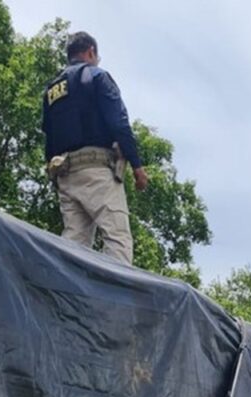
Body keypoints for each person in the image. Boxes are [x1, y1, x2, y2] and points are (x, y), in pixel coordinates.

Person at [42, 32, 148, 264]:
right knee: (117, 237)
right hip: (97, 171)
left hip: (65, 174)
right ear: (91, 51)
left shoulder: (52, 90)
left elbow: (48, 138)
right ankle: (115, 298)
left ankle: (67, 298)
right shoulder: (97, 76)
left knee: (74, 246)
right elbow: (119, 124)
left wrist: (55, 178)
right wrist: (137, 168)